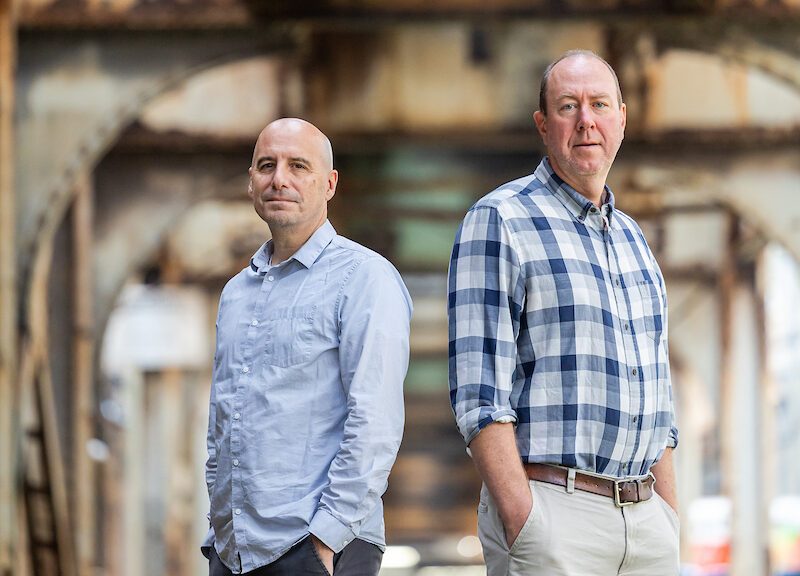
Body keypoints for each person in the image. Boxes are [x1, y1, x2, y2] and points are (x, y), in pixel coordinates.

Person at [447, 50, 680, 575]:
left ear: (622, 117)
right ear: (542, 125)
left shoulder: (634, 239)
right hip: (555, 513)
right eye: (567, 106)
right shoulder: (500, 220)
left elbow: (659, 391)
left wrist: (668, 515)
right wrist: (523, 518)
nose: (586, 121)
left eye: (599, 105)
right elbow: (478, 390)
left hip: (646, 522)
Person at [202, 118, 412, 576]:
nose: (280, 179)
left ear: (330, 184)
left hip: (316, 548)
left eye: (299, 166)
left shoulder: (364, 278)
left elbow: (374, 422)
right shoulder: (236, 293)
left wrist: (327, 537)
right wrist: (217, 531)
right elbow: (223, 421)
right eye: (266, 165)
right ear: (251, 181)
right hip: (234, 552)